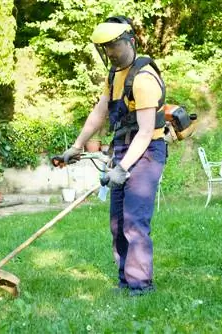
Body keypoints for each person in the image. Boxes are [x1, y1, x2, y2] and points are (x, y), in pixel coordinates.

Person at [58, 16, 167, 296]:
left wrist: (122, 169)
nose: (110, 53)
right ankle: (125, 280)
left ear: (130, 41)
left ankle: (141, 285)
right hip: (123, 151)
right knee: (118, 223)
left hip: (147, 153)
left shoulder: (143, 79)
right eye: (105, 48)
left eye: (114, 46)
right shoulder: (114, 75)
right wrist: (77, 146)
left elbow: (144, 133)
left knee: (134, 221)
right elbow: (99, 113)